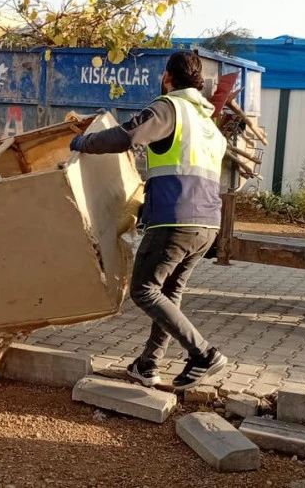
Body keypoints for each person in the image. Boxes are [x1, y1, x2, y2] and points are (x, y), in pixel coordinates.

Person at [68, 51, 229, 391]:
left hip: (174, 219)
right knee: (169, 294)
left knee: (143, 289)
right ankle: (148, 365)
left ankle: (203, 354)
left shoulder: (170, 107)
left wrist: (83, 142)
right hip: (207, 224)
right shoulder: (208, 124)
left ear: (168, 77)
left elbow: (127, 136)